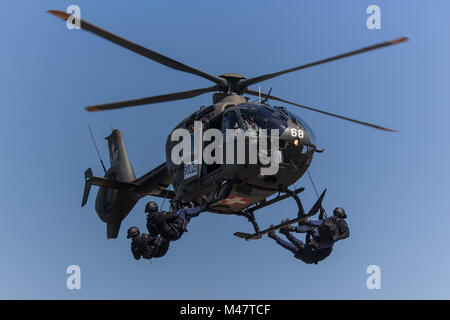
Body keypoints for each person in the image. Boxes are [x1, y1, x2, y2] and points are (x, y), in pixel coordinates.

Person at [268, 227, 332, 264]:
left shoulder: (327, 246)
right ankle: (274, 236)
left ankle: (284, 232)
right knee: (294, 248)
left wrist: (310, 231)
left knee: (299, 244)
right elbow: (308, 243)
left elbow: (308, 245)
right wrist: (308, 232)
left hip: (311, 256)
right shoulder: (325, 246)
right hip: (309, 260)